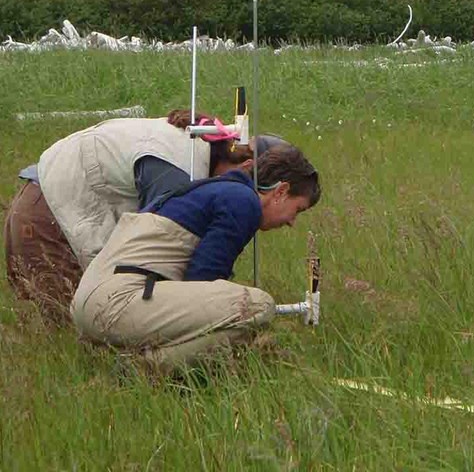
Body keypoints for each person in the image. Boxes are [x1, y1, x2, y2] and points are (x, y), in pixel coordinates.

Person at [3, 108, 287, 323]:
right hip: (49, 219)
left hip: (45, 202)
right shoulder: (177, 172)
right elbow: (156, 257)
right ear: (246, 166)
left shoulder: (192, 150)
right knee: (92, 328)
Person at [71, 144, 320, 372]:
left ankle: (123, 356)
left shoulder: (214, 190)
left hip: (91, 299)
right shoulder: (243, 202)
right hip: (120, 301)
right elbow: (201, 281)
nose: (291, 222)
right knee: (256, 307)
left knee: (237, 324)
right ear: (281, 191)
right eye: (297, 210)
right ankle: (140, 369)